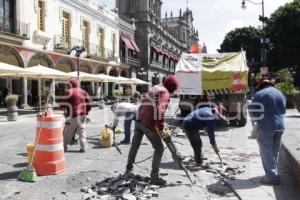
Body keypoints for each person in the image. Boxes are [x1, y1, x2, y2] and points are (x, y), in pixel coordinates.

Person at [126, 75, 179, 186]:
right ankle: (154, 177)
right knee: (159, 148)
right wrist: (160, 127)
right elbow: (160, 111)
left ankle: (128, 169)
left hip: (139, 119)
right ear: (172, 87)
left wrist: (161, 124)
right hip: (148, 123)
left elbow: (148, 103)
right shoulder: (165, 93)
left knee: (135, 145)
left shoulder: (156, 87)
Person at [248, 76, 286, 185]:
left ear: (260, 86)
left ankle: (271, 177)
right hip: (280, 126)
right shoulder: (280, 94)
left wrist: (255, 122)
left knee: (266, 152)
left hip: (266, 126)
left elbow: (253, 111)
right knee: (274, 151)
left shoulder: (260, 94)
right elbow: (283, 110)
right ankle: (274, 173)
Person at [182, 100, 226, 165]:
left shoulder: (210, 110)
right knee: (197, 144)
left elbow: (204, 120)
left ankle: (199, 158)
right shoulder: (212, 117)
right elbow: (211, 132)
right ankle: (199, 161)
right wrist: (214, 144)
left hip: (189, 122)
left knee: (198, 143)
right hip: (189, 125)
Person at [60, 78, 92, 152]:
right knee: (82, 130)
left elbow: (62, 103)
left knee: (68, 132)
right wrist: (86, 112)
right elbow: (89, 103)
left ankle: (64, 146)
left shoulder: (68, 92)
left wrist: (62, 107)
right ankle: (83, 147)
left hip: (72, 114)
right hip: (82, 115)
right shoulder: (83, 91)